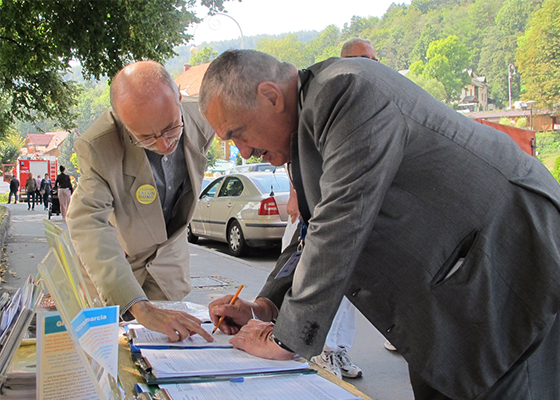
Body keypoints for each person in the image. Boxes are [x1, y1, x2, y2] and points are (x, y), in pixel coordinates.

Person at [200, 50, 560, 400]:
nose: (242, 152)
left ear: (270, 96)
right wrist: (264, 306)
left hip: (507, 273)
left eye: (238, 133)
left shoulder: (345, 92)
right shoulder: (306, 130)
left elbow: (341, 220)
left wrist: (285, 340)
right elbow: (313, 233)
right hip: (446, 310)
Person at [66, 60, 215, 343]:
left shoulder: (204, 116)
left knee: (173, 353)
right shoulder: (98, 146)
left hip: (169, 267)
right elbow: (87, 223)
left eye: (171, 128)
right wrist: (137, 305)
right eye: (145, 137)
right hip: (120, 268)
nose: (163, 145)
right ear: (123, 122)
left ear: (179, 97)